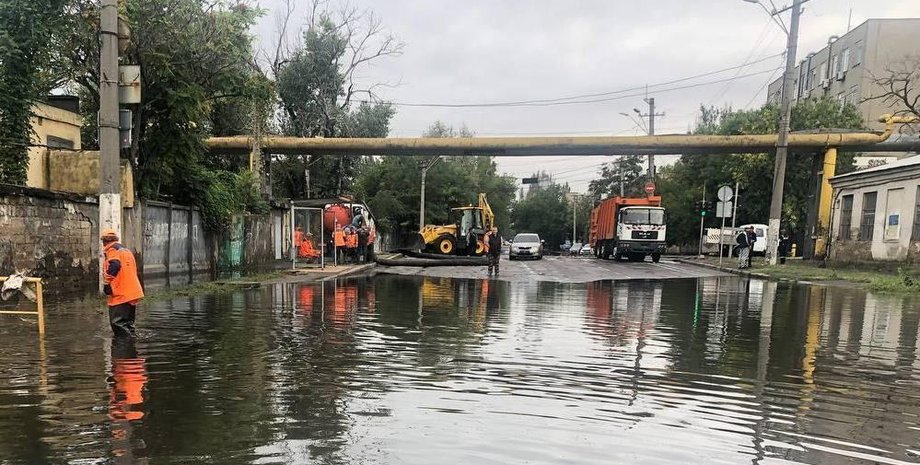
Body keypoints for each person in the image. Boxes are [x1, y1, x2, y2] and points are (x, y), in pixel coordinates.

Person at [101, 228, 144, 338]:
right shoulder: (126, 251)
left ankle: (123, 346)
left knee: (118, 324)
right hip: (132, 293)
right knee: (129, 324)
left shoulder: (112, 250)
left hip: (120, 293)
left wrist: (107, 283)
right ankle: (131, 344)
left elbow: (115, 265)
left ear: (104, 241)